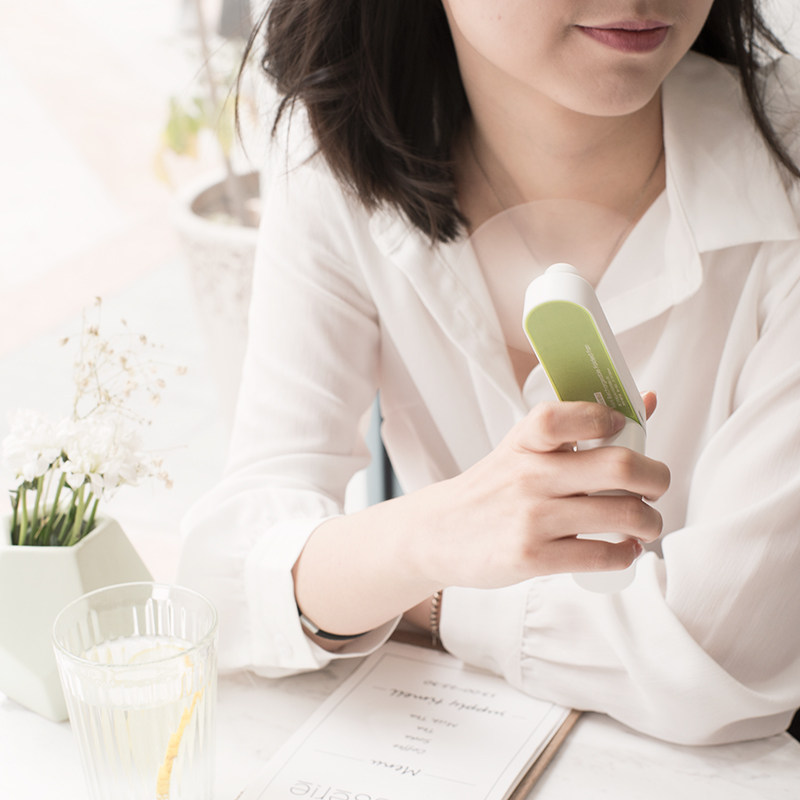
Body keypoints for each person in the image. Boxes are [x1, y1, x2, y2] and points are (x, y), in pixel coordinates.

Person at [177, 1, 800, 745]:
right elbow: (228, 577)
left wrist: (421, 588)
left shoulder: (784, 173)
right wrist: (433, 536)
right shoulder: (340, 150)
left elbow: (722, 658)